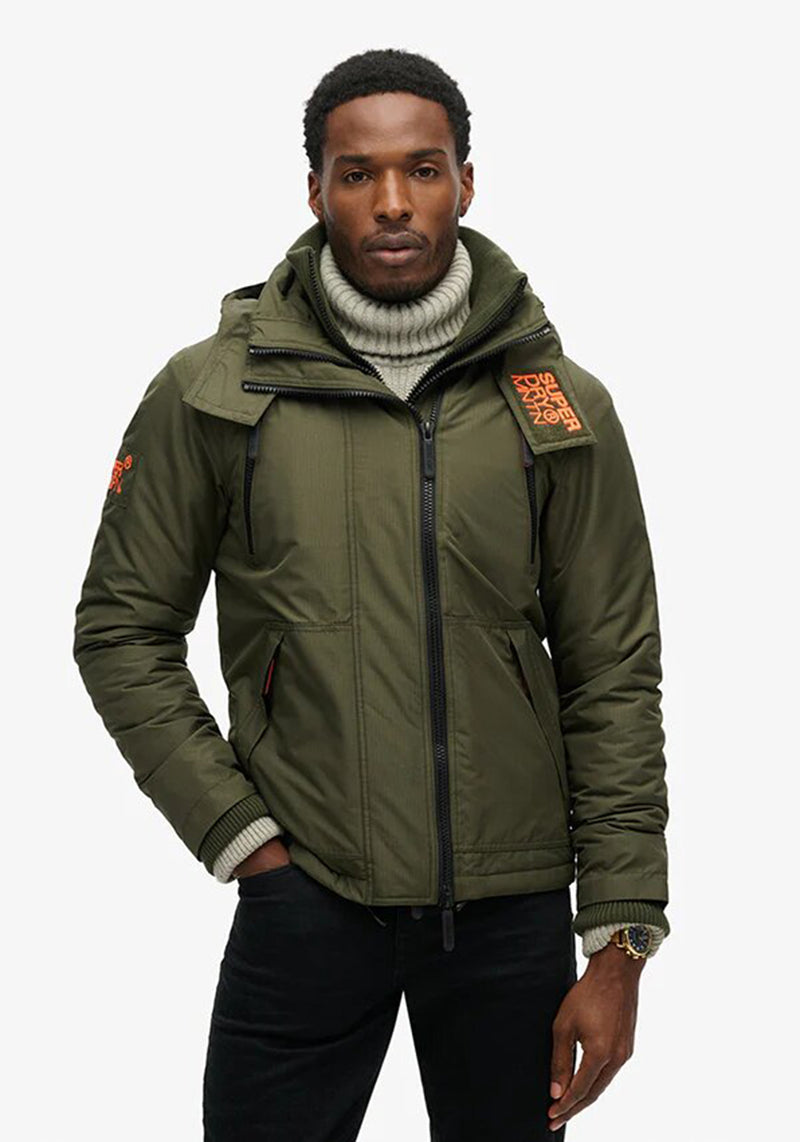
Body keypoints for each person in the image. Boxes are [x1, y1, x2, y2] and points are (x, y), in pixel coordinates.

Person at [73, 47, 670, 1141]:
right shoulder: (213, 392)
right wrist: (241, 837)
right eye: (358, 174)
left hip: (510, 919)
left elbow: (612, 670)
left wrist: (621, 936)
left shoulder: (556, 404)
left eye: (422, 169)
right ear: (315, 190)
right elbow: (122, 630)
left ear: (465, 182)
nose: (392, 201)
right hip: (305, 899)